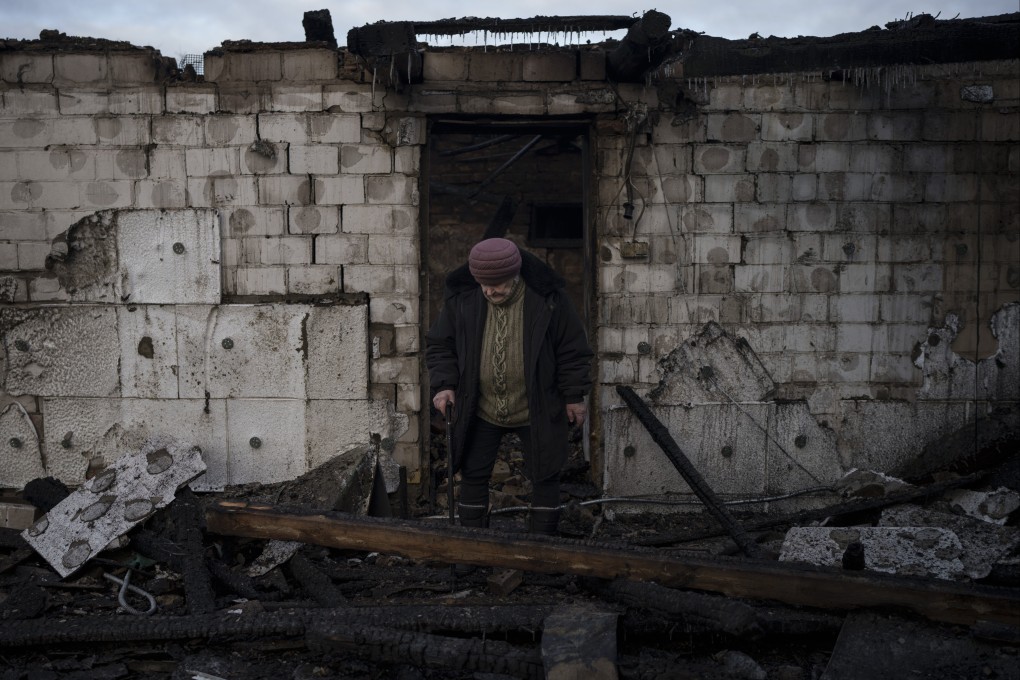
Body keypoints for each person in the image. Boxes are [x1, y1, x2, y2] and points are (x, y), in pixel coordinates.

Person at [426, 237, 593, 536]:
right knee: (473, 473)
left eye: (497, 284)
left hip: (537, 404)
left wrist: (574, 396)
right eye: (483, 284)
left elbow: (572, 349)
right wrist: (444, 385)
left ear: (515, 275)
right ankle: (473, 544)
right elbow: (441, 344)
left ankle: (541, 547)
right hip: (481, 405)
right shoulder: (463, 298)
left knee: (546, 475)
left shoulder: (548, 298)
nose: (489, 291)